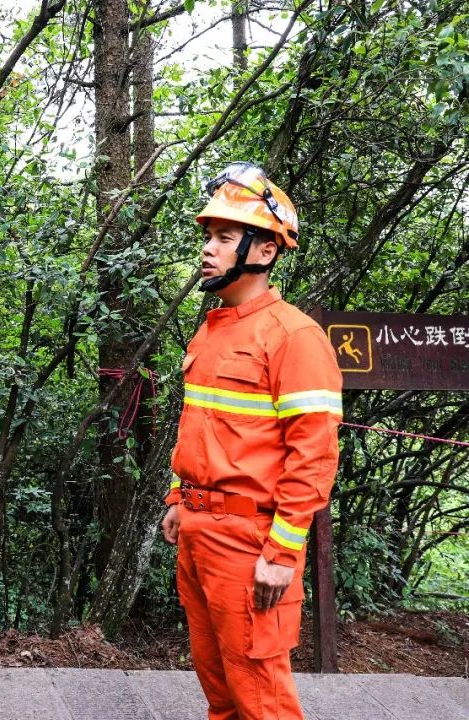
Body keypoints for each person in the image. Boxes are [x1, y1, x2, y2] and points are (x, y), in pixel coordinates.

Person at [161, 162, 342, 720]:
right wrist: (178, 498)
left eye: (224, 237)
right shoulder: (213, 329)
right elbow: (201, 428)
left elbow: (314, 456)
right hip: (198, 531)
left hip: (250, 542)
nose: (207, 249)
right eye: (208, 237)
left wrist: (281, 553)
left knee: (261, 698)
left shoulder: (294, 336)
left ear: (264, 251)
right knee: (220, 692)